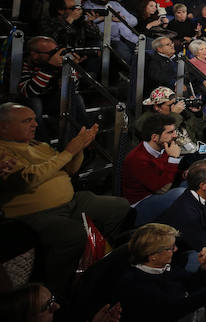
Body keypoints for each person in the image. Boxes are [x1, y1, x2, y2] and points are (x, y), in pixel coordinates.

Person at [0, 103, 133, 294]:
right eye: (27, 120)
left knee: (118, 206)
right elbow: (27, 179)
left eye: (34, 119)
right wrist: (68, 152)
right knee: (73, 235)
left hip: (72, 202)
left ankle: (96, 262)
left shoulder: (39, 145)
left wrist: (79, 149)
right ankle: (56, 290)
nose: (35, 124)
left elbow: (69, 169)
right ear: (3, 126)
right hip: (35, 214)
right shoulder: (3, 152)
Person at [117, 222, 206, 322]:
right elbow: (178, 309)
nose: (176, 250)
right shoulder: (137, 284)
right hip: (176, 321)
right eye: (170, 248)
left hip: (188, 313)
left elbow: (192, 284)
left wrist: (204, 268)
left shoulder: (164, 266)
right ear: (153, 256)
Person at [121, 113, 187, 225]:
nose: (175, 135)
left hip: (159, 193)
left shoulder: (164, 146)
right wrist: (173, 159)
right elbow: (162, 189)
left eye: (174, 131)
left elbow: (164, 173)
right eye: (170, 132)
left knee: (199, 178)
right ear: (154, 137)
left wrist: (184, 174)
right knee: (182, 193)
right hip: (140, 205)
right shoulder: (137, 158)